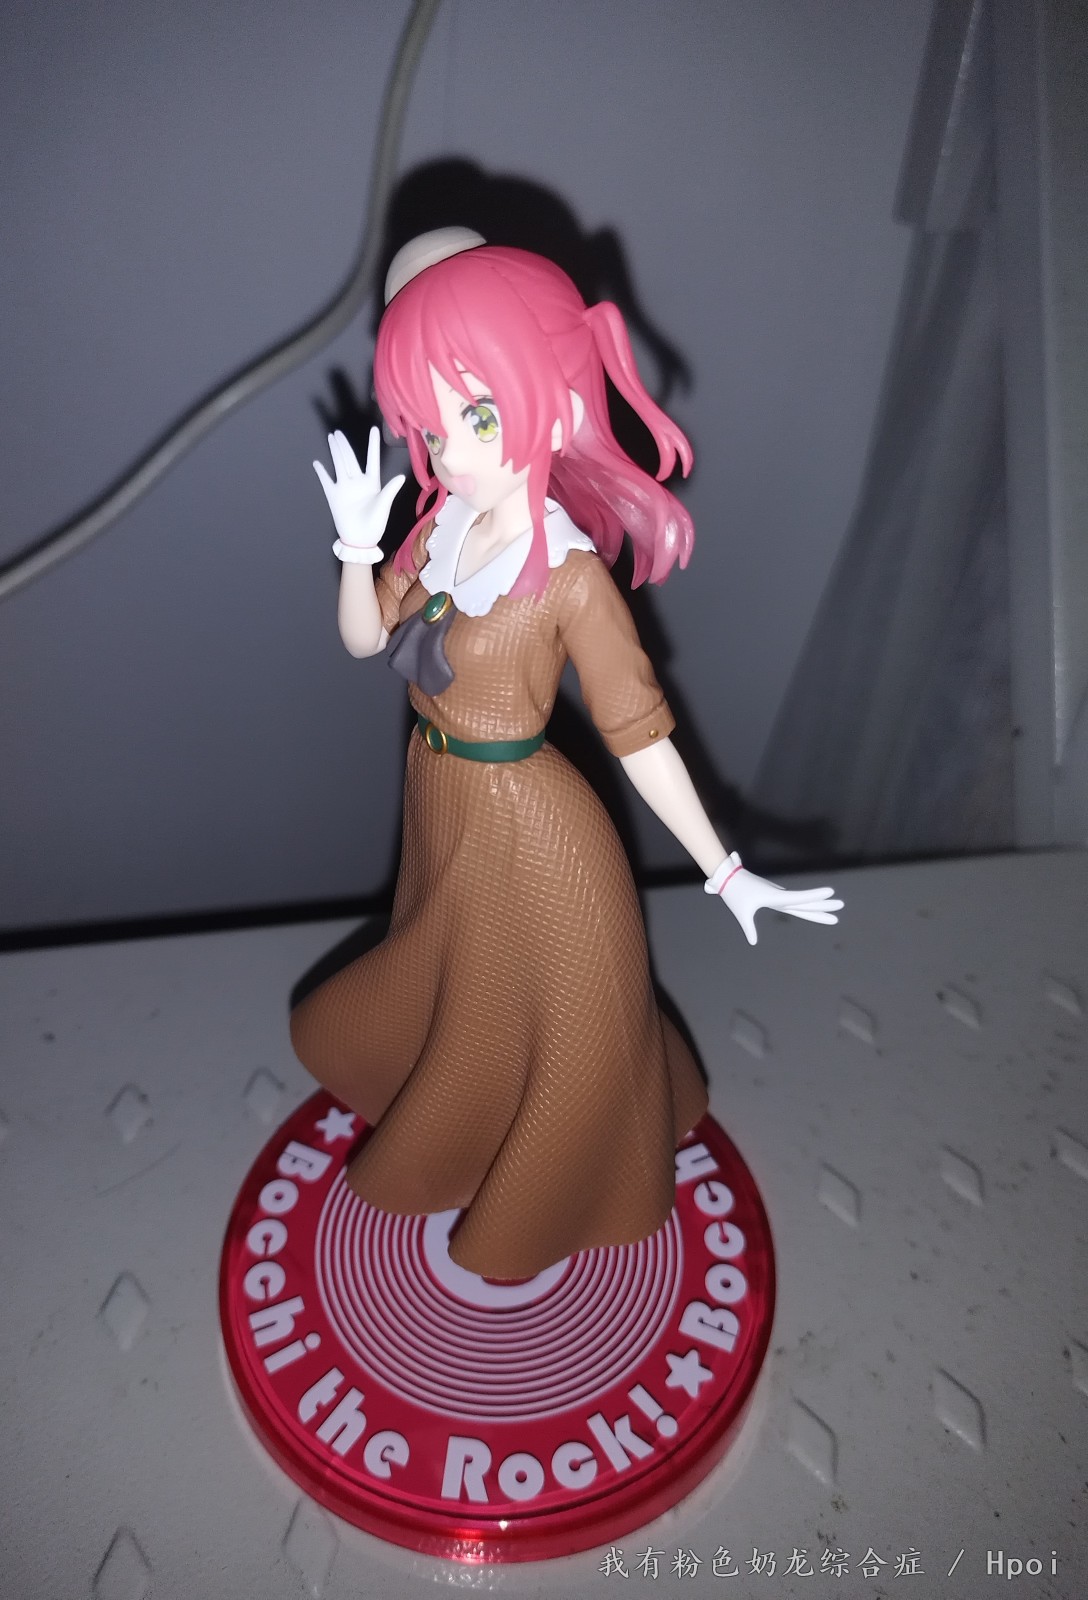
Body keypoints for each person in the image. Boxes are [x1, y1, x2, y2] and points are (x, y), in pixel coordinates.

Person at [291, 230, 841, 1280]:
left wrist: (725, 872)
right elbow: (367, 641)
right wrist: (357, 546)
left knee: (564, 1024)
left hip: (534, 830)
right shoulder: (436, 529)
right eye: (431, 425)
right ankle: (459, 1137)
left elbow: (642, 734)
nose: (452, 452)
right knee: (455, 992)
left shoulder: (571, 577)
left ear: (553, 404)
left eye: (478, 416)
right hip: (440, 799)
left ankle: (542, 1205)